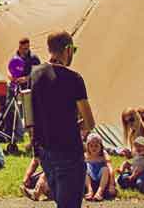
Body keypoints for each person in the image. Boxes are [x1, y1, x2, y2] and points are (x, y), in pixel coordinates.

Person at [25, 30, 94, 208]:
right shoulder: (74, 78)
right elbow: (89, 122)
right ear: (68, 49)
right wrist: (79, 126)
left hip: (45, 151)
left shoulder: (35, 74)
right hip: (68, 151)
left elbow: (31, 113)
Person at [84, 133, 116, 201]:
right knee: (84, 168)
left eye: (96, 146)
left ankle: (99, 192)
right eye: (91, 146)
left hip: (102, 180)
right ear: (87, 146)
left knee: (105, 169)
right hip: (90, 181)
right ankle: (90, 191)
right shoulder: (85, 155)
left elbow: (110, 169)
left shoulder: (103, 154)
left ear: (101, 146)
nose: (93, 148)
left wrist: (111, 184)